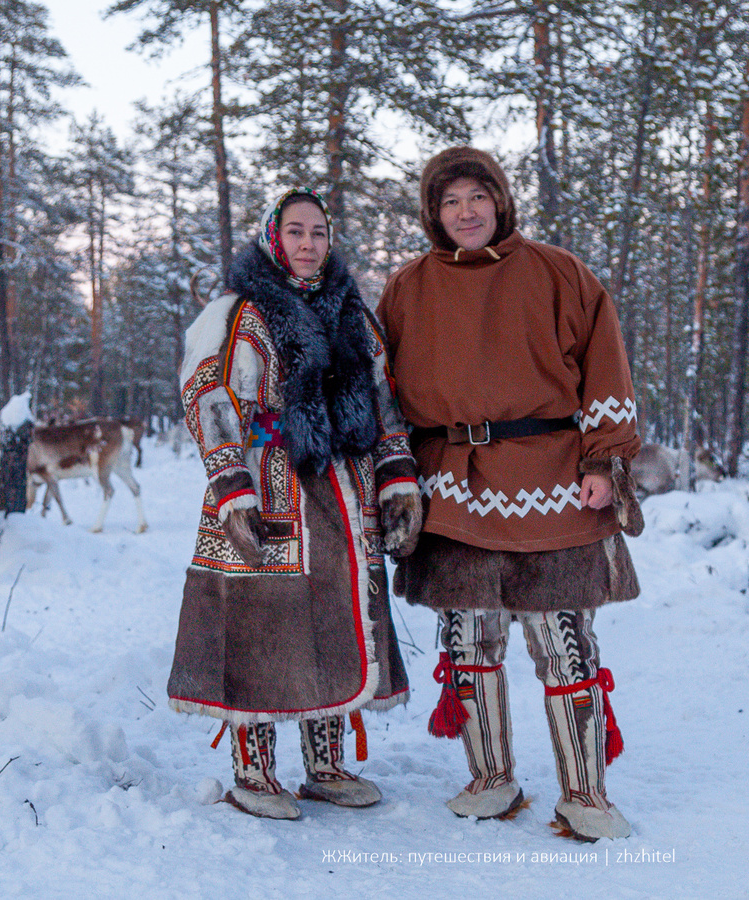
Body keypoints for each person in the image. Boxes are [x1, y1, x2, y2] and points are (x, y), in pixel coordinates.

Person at [376, 146, 643, 841]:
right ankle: (491, 778)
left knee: (562, 638)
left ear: (499, 201)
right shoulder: (407, 287)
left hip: (550, 478)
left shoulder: (558, 272)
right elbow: (382, 392)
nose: (466, 212)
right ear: (435, 213)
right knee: (468, 637)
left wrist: (604, 459)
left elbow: (606, 363)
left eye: (477, 197)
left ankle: (585, 792)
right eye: (450, 201)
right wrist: (393, 474)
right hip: (450, 482)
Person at [168, 188, 422, 820]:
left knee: (337, 612)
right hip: (269, 481)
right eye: (295, 232)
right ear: (271, 237)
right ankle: (253, 771)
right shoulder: (237, 312)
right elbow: (211, 396)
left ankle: (325, 764)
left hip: (344, 486)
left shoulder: (352, 314)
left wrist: (396, 475)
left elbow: (384, 399)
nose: (308, 245)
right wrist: (232, 485)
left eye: (318, 233)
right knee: (263, 621)